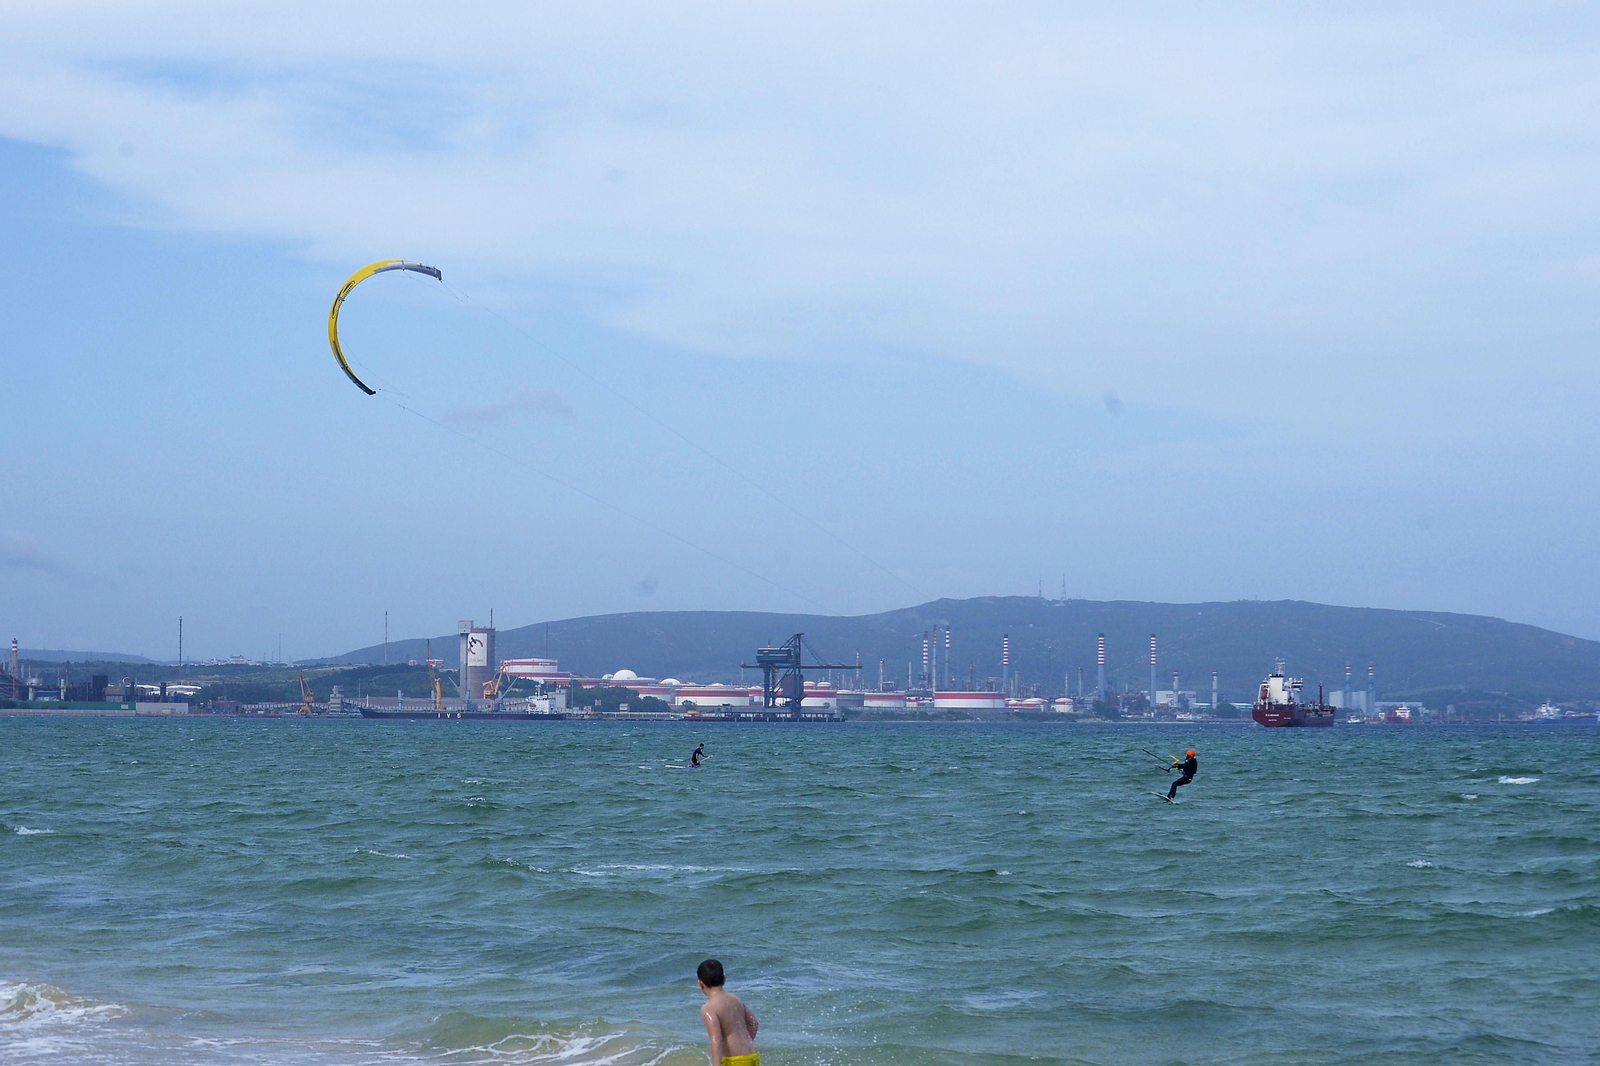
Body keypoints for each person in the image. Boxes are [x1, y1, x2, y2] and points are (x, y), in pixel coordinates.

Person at [697, 958, 759, 1066]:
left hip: (734, 1061)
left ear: (700, 984)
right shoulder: (736, 999)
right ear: (724, 979)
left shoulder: (708, 1008)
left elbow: (716, 1039)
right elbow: (754, 1022)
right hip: (752, 1056)